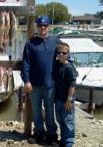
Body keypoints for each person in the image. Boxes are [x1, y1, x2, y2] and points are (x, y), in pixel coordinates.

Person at [21, 16, 59, 145]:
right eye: (40, 25)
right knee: (36, 110)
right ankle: (38, 132)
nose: (42, 28)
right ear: (36, 27)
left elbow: (64, 61)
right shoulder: (30, 43)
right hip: (34, 84)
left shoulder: (56, 42)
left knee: (49, 110)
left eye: (45, 25)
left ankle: (52, 134)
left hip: (51, 84)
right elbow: (25, 64)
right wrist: (26, 81)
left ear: (49, 27)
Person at [54, 43, 77, 147]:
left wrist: (69, 100)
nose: (61, 54)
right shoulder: (58, 64)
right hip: (58, 99)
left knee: (68, 121)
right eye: (59, 52)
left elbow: (72, 86)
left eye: (64, 53)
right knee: (60, 120)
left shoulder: (70, 68)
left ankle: (69, 142)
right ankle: (63, 140)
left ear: (68, 54)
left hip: (67, 100)